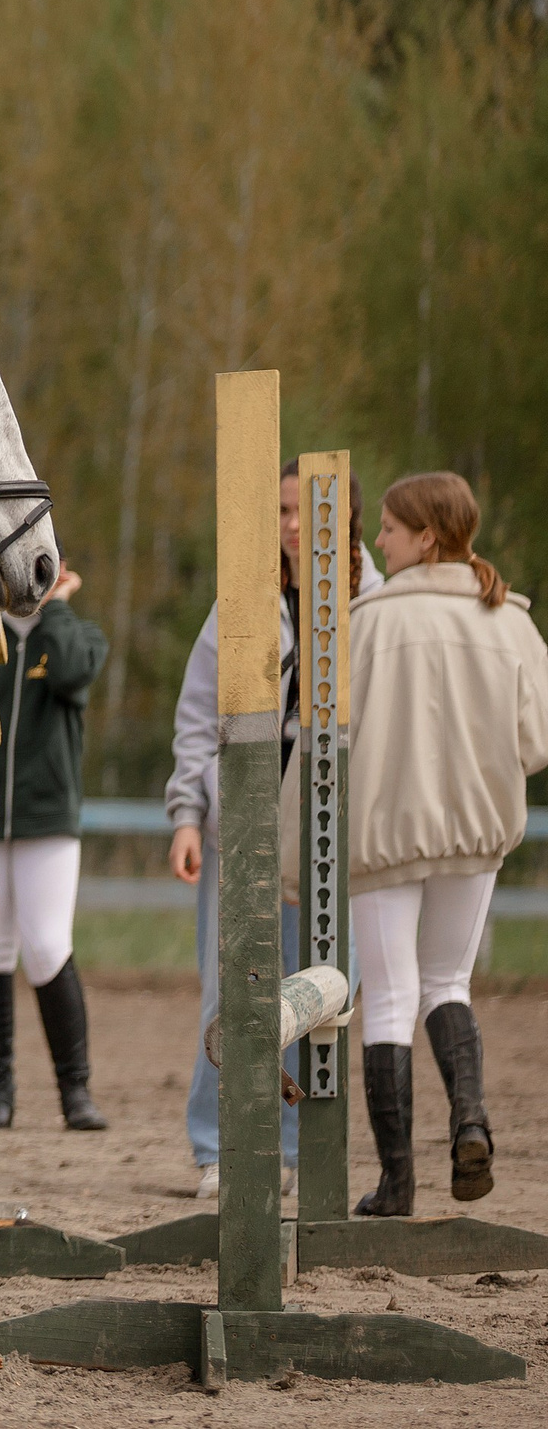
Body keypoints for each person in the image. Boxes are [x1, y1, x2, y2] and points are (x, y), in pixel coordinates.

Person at [165, 460, 380, 1199]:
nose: (291, 524)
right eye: (281, 510)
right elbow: (197, 717)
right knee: (227, 984)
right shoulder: (243, 600)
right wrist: (187, 816)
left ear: (345, 518)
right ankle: (215, 1143)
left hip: (329, 825)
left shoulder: (373, 603)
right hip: (240, 822)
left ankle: (297, 1146)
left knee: (316, 983)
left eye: (303, 510)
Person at [345, 471, 548, 1216]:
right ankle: (471, 1118)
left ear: (427, 536)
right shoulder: (511, 621)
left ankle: (397, 1186)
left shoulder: (366, 623)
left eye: (391, 529)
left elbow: (332, 744)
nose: (380, 541)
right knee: (449, 984)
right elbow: (536, 743)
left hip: (384, 833)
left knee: (391, 1000)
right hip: (473, 832)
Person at [0, 564, 110, 1131]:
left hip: (47, 820)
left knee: (48, 947)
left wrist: (54, 607)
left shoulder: (77, 635)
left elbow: (71, 674)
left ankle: (74, 1090)